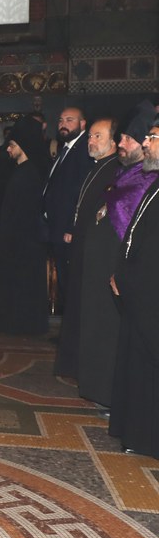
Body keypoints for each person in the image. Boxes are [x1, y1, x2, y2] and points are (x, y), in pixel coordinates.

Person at [78, 103, 156, 407]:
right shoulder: (127, 175)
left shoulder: (147, 180)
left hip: (121, 271)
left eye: (129, 139)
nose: (121, 144)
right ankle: (100, 391)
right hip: (101, 272)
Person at [55, 117, 121, 380]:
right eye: (90, 136)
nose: (90, 142)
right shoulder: (97, 167)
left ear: (114, 141)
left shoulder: (115, 169)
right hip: (82, 249)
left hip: (98, 255)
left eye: (97, 136)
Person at [109, 113, 159, 458]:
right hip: (139, 292)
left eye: (153, 137)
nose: (145, 142)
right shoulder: (153, 183)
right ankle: (138, 434)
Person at [0, 115, 49, 335]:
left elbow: (23, 212)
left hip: (22, 242)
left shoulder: (29, 173)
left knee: (22, 286)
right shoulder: (21, 170)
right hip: (17, 240)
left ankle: (20, 325)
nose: (8, 149)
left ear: (23, 147)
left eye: (12, 145)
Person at [43, 107, 94, 310]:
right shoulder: (66, 148)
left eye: (70, 120)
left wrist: (72, 227)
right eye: (61, 120)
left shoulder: (83, 149)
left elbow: (81, 190)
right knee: (65, 279)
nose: (63, 124)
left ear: (83, 124)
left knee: (72, 281)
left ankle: (74, 332)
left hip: (68, 228)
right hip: (57, 224)